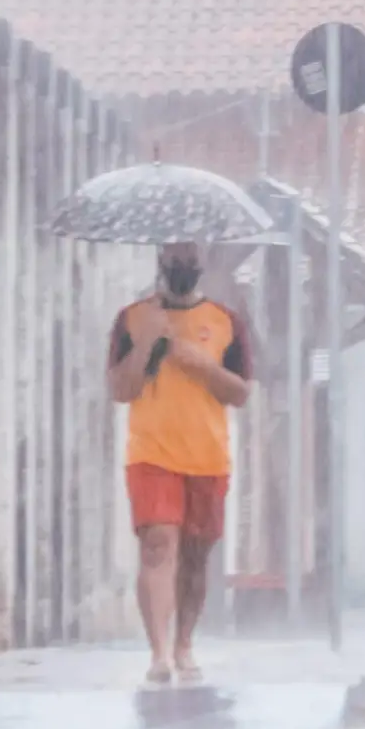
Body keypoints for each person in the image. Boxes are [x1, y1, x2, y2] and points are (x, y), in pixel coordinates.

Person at [106, 241, 252, 683]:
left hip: (207, 457)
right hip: (151, 454)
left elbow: (240, 393)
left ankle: (183, 642)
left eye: (189, 258)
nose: (181, 264)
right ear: (160, 259)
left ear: (202, 262)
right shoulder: (132, 319)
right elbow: (120, 390)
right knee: (157, 544)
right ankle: (158, 654)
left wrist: (198, 363)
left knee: (195, 556)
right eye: (174, 257)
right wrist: (147, 343)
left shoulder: (226, 322)